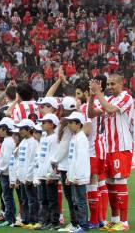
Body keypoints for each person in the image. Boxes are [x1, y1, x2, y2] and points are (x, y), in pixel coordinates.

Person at [90, 74, 134, 232]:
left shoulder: (126, 97)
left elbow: (109, 110)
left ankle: (124, 222)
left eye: (113, 84)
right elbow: (92, 114)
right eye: (108, 84)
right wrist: (91, 97)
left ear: (121, 84)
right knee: (109, 183)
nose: (109, 86)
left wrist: (99, 93)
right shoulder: (108, 99)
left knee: (120, 182)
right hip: (107, 148)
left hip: (121, 147)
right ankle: (114, 219)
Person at [81, 75, 109, 228]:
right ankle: (100, 218)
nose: (90, 85)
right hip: (99, 146)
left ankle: (95, 219)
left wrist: (92, 96)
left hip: (94, 147)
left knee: (93, 182)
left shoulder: (99, 102)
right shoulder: (100, 101)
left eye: (93, 83)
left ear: (100, 86)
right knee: (99, 183)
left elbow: (91, 114)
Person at [51, 96, 79, 232]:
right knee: (71, 196)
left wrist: (54, 160)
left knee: (71, 196)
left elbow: (64, 145)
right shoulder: (69, 123)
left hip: (66, 165)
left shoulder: (68, 125)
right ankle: (75, 222)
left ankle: (76, 223)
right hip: (66, 165)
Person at [63, 111, 92, 233]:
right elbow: (71, 159)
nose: (69, 125)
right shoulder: (75, 137)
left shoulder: (81, 138)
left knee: (80, 201)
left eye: (71, 122)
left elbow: (80, 160)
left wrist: (75, 176)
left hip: (79, 176)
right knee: (76, 201)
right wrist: (69, 175)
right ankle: (80, 225)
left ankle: (84, 226)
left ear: (79, 124)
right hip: (74, 176)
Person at [35, 113, 61, 230]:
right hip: (42, 174)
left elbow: (54, 157)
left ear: (51, 124)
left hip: (50, 175)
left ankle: (54, 222)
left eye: (44, 122)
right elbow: (41, 157)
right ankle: (45, 221)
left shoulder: (55, 138)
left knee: (52, 200)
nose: (42, 124)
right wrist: (39, 173)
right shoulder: (44, 137)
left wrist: (52, 174)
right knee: (43, 199)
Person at [14, 118, 39, 228]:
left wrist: (29, 177)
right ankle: (25, 219)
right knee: (24, 200)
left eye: (22, 129)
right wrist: (18, 176)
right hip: (22, 177)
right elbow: (20, 160)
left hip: (29, 177)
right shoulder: (23, 142)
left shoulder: (33, 143)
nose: (19, 131)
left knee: (32, 200)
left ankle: (33, 221)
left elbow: (32, 161)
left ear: (29, 130)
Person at [0, 117, 17, 228]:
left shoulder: (8, 142)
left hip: (6, 173)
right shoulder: (8, 141)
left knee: (7, 197)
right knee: (7, 197)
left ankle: (10, 219)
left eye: (0, 128)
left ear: (5, 129)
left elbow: (6, 160)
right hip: (6, 173)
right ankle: (11, 218)